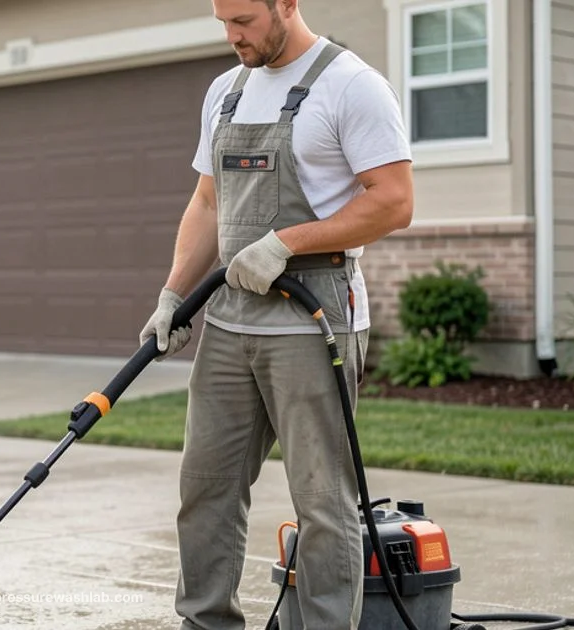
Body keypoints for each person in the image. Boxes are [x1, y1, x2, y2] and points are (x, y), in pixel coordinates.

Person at [137, 1, 414, 628]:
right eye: (223, 22)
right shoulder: (225, 93)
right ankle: (205, 621)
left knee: (322, 502)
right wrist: (174, 295)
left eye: (244, 21)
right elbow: (207, 203)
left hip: (313, 320)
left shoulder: (351, 85)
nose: (232, 36)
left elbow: (394, 203)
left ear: (287, 3)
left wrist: (288, 242)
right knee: (205, 489)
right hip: (230, 322)